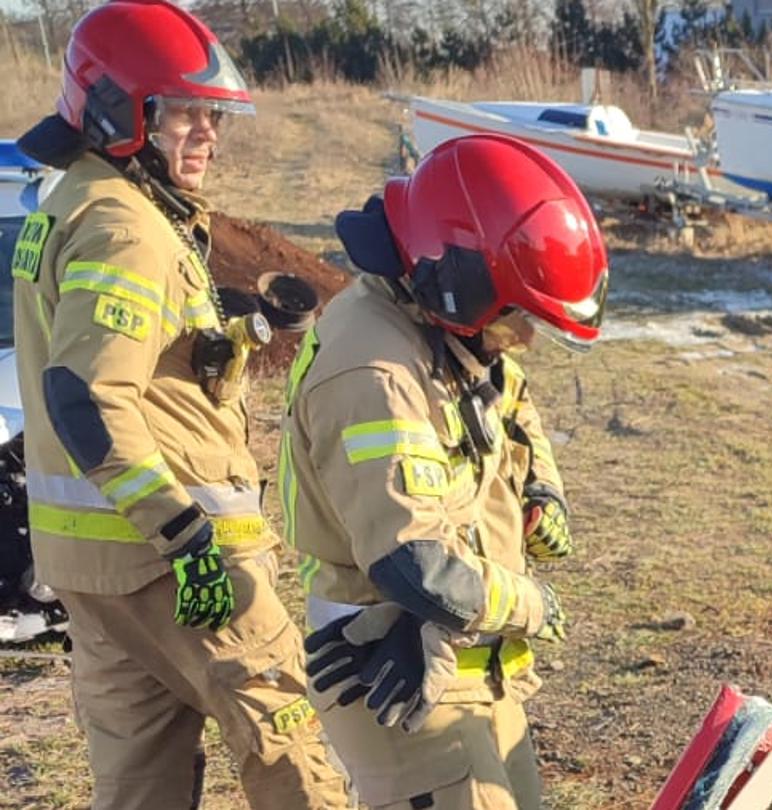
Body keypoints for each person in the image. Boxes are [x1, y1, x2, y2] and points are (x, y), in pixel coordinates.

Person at [9, 1, 350, 805]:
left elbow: (108, 363)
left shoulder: (73, 201)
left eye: (214, 117)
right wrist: (184, 535)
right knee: (288, 747)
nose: (207, 136)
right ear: (118, 112)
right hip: (174, 558)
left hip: (93, 564)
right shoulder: (126, 228)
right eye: (184, 115)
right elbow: (87, 394)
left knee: (140, 782)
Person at [283, 132, 600, 809]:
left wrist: (542, 485)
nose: (525, 339)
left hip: (471, 658)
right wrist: (534, 605)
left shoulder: (446, 331)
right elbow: (416, 568)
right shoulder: (374, 370)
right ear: (458, 282)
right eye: (516, 318)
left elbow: (509, 397)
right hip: (395, 670)